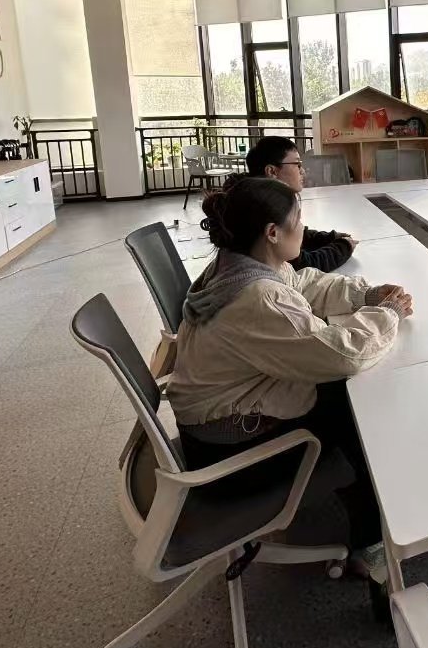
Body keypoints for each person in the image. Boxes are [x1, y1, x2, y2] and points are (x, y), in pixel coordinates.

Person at [168, 174, 413, 577]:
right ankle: (370, 544)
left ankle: (369, 514)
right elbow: (341, 353)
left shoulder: (236, 265)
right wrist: (388, 313)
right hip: (232, 461)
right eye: (298, 219)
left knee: (344, 392)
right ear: (272, 233)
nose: (303, 227)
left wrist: (364, 295)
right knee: (358, 408)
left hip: (211, 430)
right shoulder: (257, 298)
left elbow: (301, 283)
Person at [246, 136, 356, 272]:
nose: (303, 171)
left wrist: (330, 237)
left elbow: (294, 232)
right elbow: (301, 264)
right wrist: (344, 247)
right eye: (297, 165)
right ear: (272, 171)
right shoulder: (260, 209)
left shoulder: (257, 196)